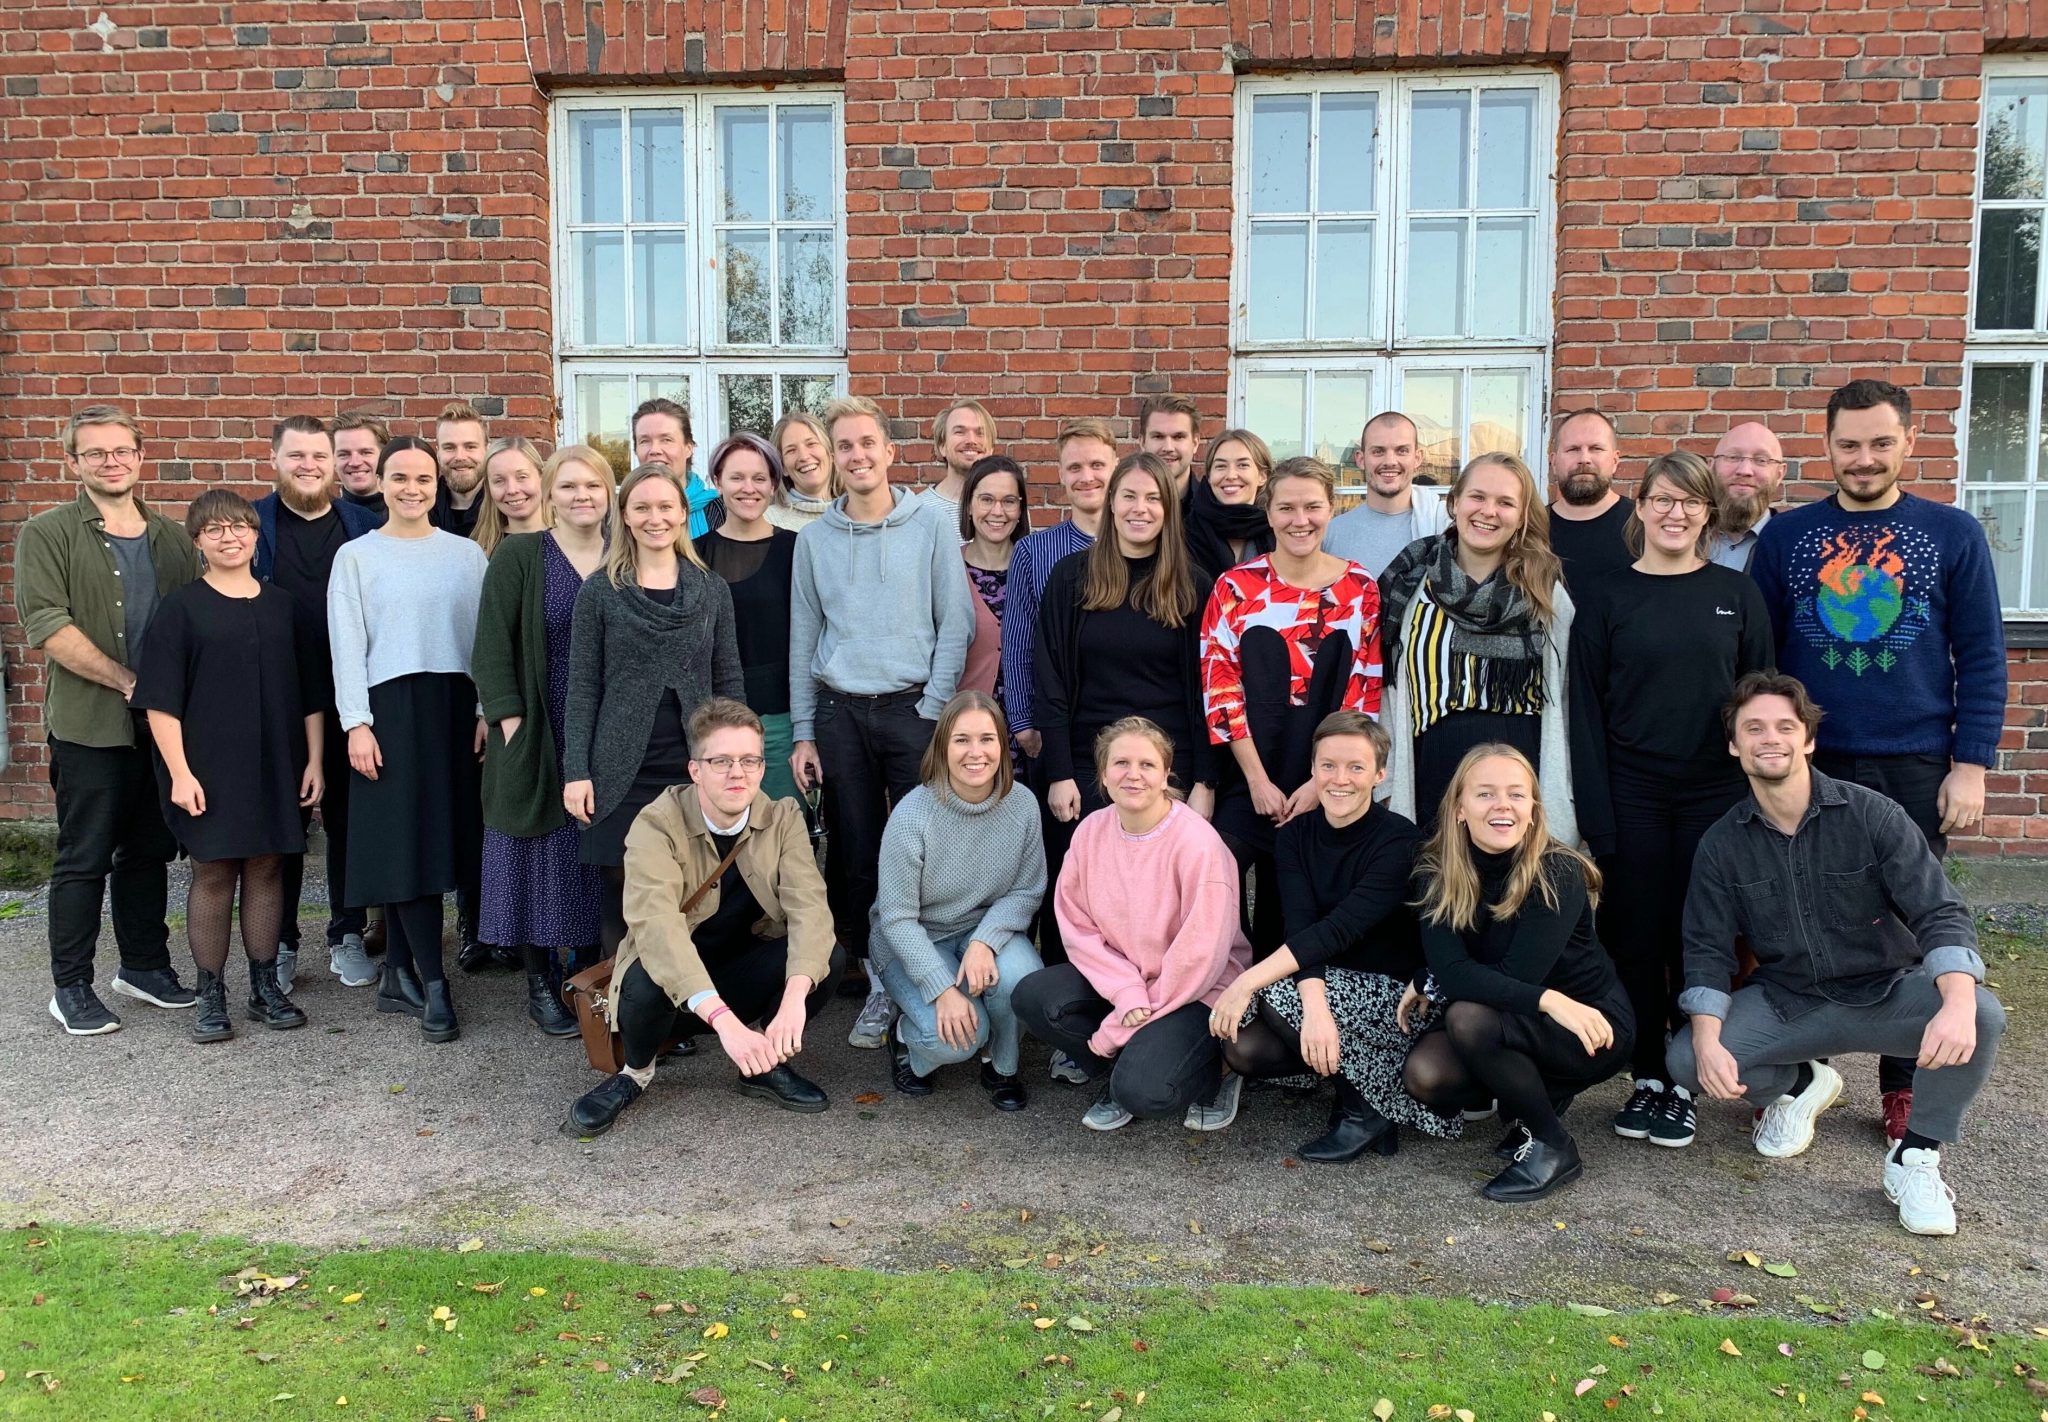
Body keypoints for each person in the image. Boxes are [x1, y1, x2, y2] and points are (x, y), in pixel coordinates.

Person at [1750, 378, 2007, 1142]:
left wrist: (1972, 763)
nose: (1864, 458)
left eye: (1880, 443)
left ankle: (1904, 1085)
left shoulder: (1954, 534)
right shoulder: (1787, 539)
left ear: (1909, 442)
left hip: (1915, 762)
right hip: (1810, 761)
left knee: (1909, 924)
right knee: (1798, 912)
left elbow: (1983, 656)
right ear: (1827, 446)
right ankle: (1801, 1070)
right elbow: (1759, 659)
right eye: (1849, 444)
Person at [1667, 672, 2005, 1236]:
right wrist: (1705, 1037)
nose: (1769, 739)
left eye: (1785, 727)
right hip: (1791, 1002)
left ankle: (1915, 1157)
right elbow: (1706, 949)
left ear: (1808, 739)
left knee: (1983, 1015)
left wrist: (1956, 998)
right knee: (1687, 1059)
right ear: (1734, 745)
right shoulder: (1722, 844)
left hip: (1886, 993)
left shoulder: (1873, 814)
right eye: (1754, 728)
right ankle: (1800, 1087)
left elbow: (1939, 911)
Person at [1567, 451, 1773, 1144]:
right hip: (1633, 793)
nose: (1675, 513)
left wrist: (1758, 798)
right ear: (1641, 507)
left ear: (1708, 513)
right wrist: (1597, 818)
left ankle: (1684, 1077)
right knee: (1634, 935)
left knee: (1698, 937)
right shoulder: (1606, 597)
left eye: (1690, 501)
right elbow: (1584, 714)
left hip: (1715, 795)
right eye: (1663, 499)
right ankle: (1648, 1074)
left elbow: (1760, 702)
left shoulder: (1737, 594)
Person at [563, 699, 846, 1137]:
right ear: (695, 770)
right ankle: (635, 1073)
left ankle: (763, 1065)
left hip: (740, 972)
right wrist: (727, 1025)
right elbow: (658, 929)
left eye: (750, 760)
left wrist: (795, 998)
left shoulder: (783, 817)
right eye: (722, 761)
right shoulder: (655, 824)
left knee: (826, 957)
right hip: (673, 993)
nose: (738, 773)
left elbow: (810, 908)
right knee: (645, 974)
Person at [788, 395, 975, 1051]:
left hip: (913, 708)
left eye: (868, 442)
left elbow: (957, 621)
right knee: (858, 853)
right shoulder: (814, 541)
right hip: (840, 712)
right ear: (833, 458)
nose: (857, 455)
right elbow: (804, 636)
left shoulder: (930, 526)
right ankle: (877, 985)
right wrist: (805, 730)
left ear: (890, 451)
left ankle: (933, 975)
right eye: (844, 446)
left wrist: (934, 706)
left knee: (926, 852)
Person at [15, 405, 200, 1034]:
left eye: (122, 450)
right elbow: (48, 625)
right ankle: (70, 986)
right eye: (95, 452)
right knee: (84, 856)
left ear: (140, 457)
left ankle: (144, 967)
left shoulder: (173, 538)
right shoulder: (47, 533)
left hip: (160, 729)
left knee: (148, 850)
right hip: (89, 725)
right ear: (73, 462)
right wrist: (128, 682)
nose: (111, 461)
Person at [1207, 713, 1454, 1161]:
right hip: (1327, 978)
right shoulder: (1295, 835)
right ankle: (1359, 1078)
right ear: (1313, 769)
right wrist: (1316, 1003)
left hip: (1395, 997)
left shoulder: (1400, 841)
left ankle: (1365, 1112)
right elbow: (1303, 927)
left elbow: (1339, 929)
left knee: (1274, 994)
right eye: (1328, 766)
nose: (1340, 779)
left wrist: (1248, 982)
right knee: (1243, 1046)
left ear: (1379, 774)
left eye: (1356, 767)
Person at [1400, 745, 1633, 1202]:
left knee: (1468, 1017)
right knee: (1427, 1074)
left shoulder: (1557, 871)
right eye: (1485, 793)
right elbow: (1457, 974)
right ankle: (1536, 1097)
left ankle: (1552, 1144)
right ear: (1460, 808)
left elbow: (1512, 976)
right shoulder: (1436, 870)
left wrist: (1551, 999)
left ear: (1533, 809)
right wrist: (1438, 975)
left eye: (1516, 794)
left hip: (1587, 1024)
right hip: (1532, 1011)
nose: (1502, 805)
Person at [133, 491, 321, 1041]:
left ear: (256, 536)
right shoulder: (181, 609)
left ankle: (264, 988)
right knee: (214, 873)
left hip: (278, 762)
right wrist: (180, 773)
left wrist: (315, 761)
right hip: (208, 767)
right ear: (198, 542)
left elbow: (311, 695)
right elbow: (160, 702)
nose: (229, 537)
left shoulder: (284, 606)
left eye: (239, 527)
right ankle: (210, 994)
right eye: (214, 530)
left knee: (266, 868)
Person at [327, 436, 490, 1043]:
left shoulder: (466, 555)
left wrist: (483, 707)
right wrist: (356, 722)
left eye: (423, 478)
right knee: (404, 843)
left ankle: (398, 971)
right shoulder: (356, 556)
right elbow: (346, 643)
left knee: (439, 839)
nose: (412, 489)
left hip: (453, 708)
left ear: (436, 485)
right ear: (381, 482)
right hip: (388, 710)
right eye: (399, 477)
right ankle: (434, 983)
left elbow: (483, 640)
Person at [1013, 718, 1252, 1131]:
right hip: (1126, 981)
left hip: (1194, 990)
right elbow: (1077, 925)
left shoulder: (1197, 844)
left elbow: (1200, 956)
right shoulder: (1091, 831)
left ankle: (1220, 1070)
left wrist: (1122, 1024)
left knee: (1145, 1092)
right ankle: (1125, 1063)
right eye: (1121, 763)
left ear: (1166, 774)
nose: (1133, 774)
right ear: (1104, 774)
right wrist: (1124, 992)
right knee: (1033, 997)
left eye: (1147, 764)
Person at [1199, 456, 1382, 954]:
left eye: (1312, 507)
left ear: (1331, 509)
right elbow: (1220, 688)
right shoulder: (1235, 587)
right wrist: (1257, 781)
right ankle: (1223, 988)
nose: (1300, 520)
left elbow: (1362, 696)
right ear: (1268, 512)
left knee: (1290, 913)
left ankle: (1282, 997)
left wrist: (1319, 785)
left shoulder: (1360, 589)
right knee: (1215, 887)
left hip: (1323, 783)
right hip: (1248, 776)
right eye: (1286, 508)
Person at [564, 464, 744, 960]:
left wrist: (736, 762)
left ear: (684, 513)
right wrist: (576, 771)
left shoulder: (711, 590)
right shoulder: (600, 591)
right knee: (622, 896)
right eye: (641, 507)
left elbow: (729, 680)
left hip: (693, 766)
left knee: (692, 893)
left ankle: (685, 1001)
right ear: (624, 515)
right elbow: (583, 688)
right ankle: (622, 1002)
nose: (654, 518)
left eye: (666, 506)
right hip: (620, 769)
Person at [472, 445, 616, 1036]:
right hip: (537, 724)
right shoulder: (521, 554)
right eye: (568, 486)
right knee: (537, 850)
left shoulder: (624, 553)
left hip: (608, 726)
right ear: (549, 495)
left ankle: (588, 977)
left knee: (593, 851)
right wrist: (510, 723)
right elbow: (490, 645)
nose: (582, 496)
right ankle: (540, 979)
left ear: (610, 493)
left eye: (593, 485)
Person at [1377, 452, 1577, 840]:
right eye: (1478, 497)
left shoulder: (1544, 593)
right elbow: (1389, 690)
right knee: (1436, 877)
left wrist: (1565, 793)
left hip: (1519, 785)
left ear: (1521, 516)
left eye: (1505, 502)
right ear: (1454, 502)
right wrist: (1386, 783)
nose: (1488, 511)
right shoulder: (1412, 583)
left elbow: (1568, 702)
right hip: (1432, 773)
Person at [253, 416, 381, 992]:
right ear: (275, 460)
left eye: (318, 457)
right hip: (276, 698)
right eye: (296, 456)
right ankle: (280, 942)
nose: (308, 466)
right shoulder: (253, 524)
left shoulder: (364, 525)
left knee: (351, 822)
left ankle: (346, 931)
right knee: (284, 824)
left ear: (333, 464)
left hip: (349, 697)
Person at [871, 691, 1047, 1109]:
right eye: (961, 740)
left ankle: (1001, 1066)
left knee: (1023, 982)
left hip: (982, 930)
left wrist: (985, 941)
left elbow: (1027, 890)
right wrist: (941, 989)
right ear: (942, 747)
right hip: (915, 940)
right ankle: (905, 1040)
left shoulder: (1023, 805)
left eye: (987, 739)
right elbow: (896, 919)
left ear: (1002, 745)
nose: (975, 752)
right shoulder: (912, 815)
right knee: (957, 1039)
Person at [1036, 452, 1216, 829]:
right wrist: (1059, 772)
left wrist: (1205, 780)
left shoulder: (1193, 587)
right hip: (1087, 767)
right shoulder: (1071, 578)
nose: (1140, 508)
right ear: (1112, 502)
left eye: (1153, 498)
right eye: (1129, 496)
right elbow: (1050, 678)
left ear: (1168, 509)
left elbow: (1209, 688)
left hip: (1168, 769)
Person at [695, 434, 802, 802]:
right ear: (717, 481)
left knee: (782, 823)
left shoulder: (796, 549)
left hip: (782, 720)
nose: (748, 488)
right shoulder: (695, 555)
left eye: (759, 478)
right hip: (714, 722)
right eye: (736, 477)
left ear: (773, 484)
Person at [1324, 411, 1451, 578]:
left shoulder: (1444, 527)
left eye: (1402, 451)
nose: (1390, 461)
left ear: (1417, 458)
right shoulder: (1331, 534)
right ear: (1360, 459)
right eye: (1378, 451)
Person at [959, 455, 1028, 705]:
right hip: (967, 718)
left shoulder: (1036, 568)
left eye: (1009, 501)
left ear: (1020, 510)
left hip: (1029, 720)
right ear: (969, 505)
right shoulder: (948, 569)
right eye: (986, 499)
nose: (997, 512)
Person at [1547, 409, 1634, 593]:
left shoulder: (1642, 526)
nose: (1584, 459)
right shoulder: (1531, 529)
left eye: (1596, 449)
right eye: (1573, 449)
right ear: (1553, 462)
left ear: (1615, 460)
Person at [1182, 428, 1276, 579]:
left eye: (1243, 465)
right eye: (1221, 466)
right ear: (1209, 476)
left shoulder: (1278, 533)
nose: (1231, 475)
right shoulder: (1183, 534)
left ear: (1262, 476)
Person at [632, 397, 721, 538]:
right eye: (645, 441)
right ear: (636, 450)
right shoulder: (622, 512)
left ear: (688, 448)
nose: (655, 450)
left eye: (666, 440)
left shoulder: (721, 511)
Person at [1706, 422, 1787, 571]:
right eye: (1733, 457)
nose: (1744, 471)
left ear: (1779, 474)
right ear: (1711, 466)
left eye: (1761, 460)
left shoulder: (1794, 545)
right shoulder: (1682, 538)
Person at [471, 436, 551, 558]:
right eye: (499, 481)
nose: (512, 490)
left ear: (542, 478)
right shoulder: (478, 553)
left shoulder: (571, 540)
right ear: (488, 488)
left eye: (522, 477)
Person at [924, 399, 995, 516]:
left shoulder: (1009, 509)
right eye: (960, 432)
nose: (971, 440)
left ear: (991, 448)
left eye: (980, 433)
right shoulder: (919, 511)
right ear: (942, 446)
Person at [431, 400, 490, 539]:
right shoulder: (421, 511)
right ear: (438, 453)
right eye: (449, 447)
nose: (460, 457)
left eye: (470, 447)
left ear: (487, 450)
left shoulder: (504, 511)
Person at [770, 411, 837, 531]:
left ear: (831, 454)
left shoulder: (858, 514)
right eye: (791, 450)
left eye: (811, 444)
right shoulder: (768, 521)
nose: (804, 456)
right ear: (783, 467)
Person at [1138, 392, 1201, 499]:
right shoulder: (1121, 505)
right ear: (1142, 442)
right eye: (1158, 436)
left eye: (1178, 437)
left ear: (1195, 443)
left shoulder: (1213, 507)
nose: (1168, 448)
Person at [333, 413, 389, 522]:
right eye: (344, 454)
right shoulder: (326, 522)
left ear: (384, 457)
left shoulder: (411, 516)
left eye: (366, 452)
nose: (355, 463)